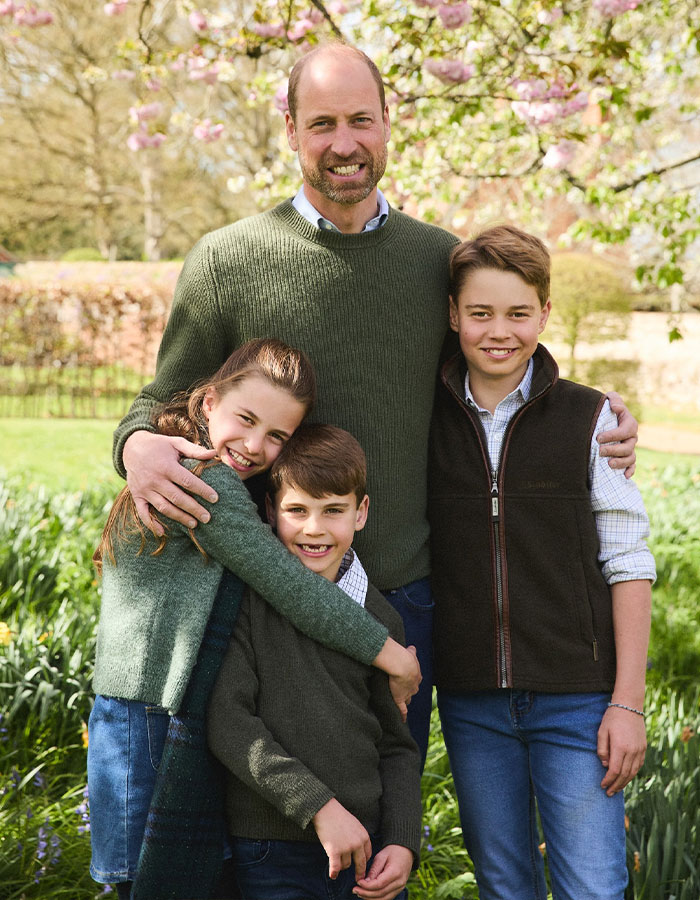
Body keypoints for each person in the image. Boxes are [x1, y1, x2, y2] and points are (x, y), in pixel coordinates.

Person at [112, 42, 639, 763]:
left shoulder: (437, 261)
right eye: (322, 123)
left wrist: (598, 415)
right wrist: (135, 444)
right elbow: (163, 397)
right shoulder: (225, 261)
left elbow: (501, 370)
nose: (344, 144)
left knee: (384, 817)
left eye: (361, 120)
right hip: (268, 592)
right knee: (272, 830)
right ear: (290, 127)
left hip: (403, 595)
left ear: (388, 123)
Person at [88, 339, 418, 900]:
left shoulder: (196, 464)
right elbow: (284, 581)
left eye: (276, 436)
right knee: (154, 882)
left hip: (166, 707)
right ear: (208, 401)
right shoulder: (199, 476)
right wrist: (390, 654)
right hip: (147, 714)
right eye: (245, 419)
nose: (254, 446)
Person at [428, 225, 655, 900]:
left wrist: (628, 703)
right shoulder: (426, 418)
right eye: (480, 313)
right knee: (505, 886)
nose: (501, 331)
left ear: (545, 313)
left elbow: (629, 561)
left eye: (519, 313)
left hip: (578, 700)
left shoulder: (590, 420)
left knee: (593, 885)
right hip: (473, 702)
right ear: (452, 317)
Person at [208, 424, 421, 900]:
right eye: (297, 510)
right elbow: (228, 721)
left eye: (333, 511)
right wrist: (320, 807)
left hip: (367, 855)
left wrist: (403, 841)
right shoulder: (247, 603)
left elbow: (397, 746)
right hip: (272, 847)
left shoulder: (380, 619)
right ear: (270, 511)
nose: (314, 529)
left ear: (361, 512)